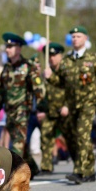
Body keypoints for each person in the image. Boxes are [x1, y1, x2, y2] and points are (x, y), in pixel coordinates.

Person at [44, 26, 96, 184]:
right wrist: (50, 77)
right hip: (72, 105)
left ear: (85, 39)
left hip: (88, 103)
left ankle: (79, 172)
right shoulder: (66, 61)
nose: (75, 39)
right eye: (73, 37)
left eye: (78, 36)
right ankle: (89, 170)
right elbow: (60, 83)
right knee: (77, 137)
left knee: (82, 135)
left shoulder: (92, 59)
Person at [0, 32, 45, 178]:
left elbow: (38, 89)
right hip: (10, 112)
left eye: (11, 46)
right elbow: (2, 92)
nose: (8, 49)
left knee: (17, 143)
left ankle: (13, 175)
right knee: (23, 146)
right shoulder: (7, 68)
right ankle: (33, 168)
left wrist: (41, 108)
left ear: (19, 48)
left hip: (23, 111)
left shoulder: (28, 66)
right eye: (7, 46)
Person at [36, 42, 69, 174]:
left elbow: (71, 90)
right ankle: (46, 166)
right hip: (50, 111)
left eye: (54, 55)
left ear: (60, 55)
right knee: (45, 137)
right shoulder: (46, 73)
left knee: (72, 139)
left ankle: (82, 166)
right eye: (49, 55)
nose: (51, 58)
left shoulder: (66, 70)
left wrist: (67, 106)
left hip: (64, 110)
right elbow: (42, 94)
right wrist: (41, 109)